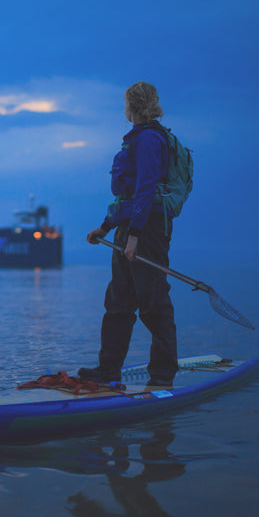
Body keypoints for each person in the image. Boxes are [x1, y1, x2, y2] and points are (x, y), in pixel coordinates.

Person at [80, 81, 178, 387]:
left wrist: (134, 236)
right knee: (118, 303)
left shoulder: (149, 139)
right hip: (128, 229)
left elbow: (146, 189)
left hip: (147, 232)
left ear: (130, 106)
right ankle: (108, 370)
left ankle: (162, 376)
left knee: (153, 304)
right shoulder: (134, 139)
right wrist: (106, 227)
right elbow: (126, 196)